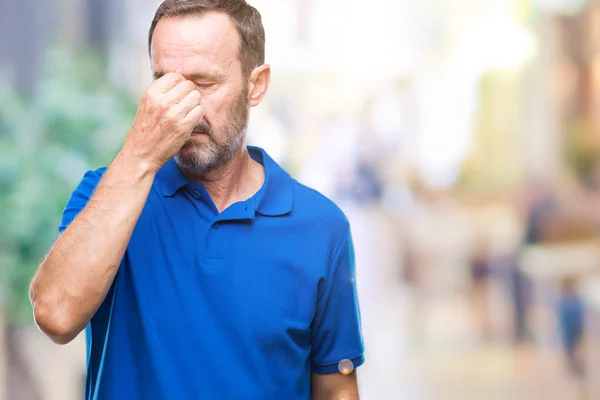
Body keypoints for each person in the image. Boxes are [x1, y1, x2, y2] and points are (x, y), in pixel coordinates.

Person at [28, 1, 364, 399]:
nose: (182, 107)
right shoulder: (106, 194)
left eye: (204, 84)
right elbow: (56, 315)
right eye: (166, 82)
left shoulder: (321, 227)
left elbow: (336, 389)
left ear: (256, 85)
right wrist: (139, 156)